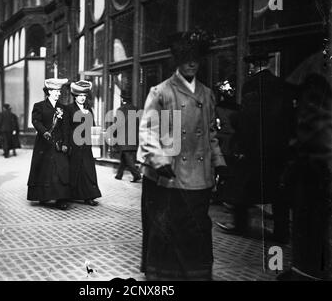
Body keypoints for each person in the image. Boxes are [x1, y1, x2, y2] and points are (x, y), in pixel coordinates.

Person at [137, 28, 227, 281]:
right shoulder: (161, 92)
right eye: (187, 57)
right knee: (167, 229)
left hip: (199, 177)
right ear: (177, 59)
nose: (191, 62)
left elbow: (210, 134)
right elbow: (147, 132)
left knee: (196, 228)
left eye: (196, 57)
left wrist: (219, 163)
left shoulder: (207, 94)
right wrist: (159, 161)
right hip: (169, 177)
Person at [215, 52, 296, 244]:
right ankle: (281, 232)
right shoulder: (280, 85)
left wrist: (239, 136)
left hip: (254, 146)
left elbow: (249, 118)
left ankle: (240, 225)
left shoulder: (251, 85)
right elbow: (288, 117)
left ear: (252, 66)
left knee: (240, 185)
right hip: (277, 147)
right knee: (278, 192)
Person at [277, 73, 332, 280]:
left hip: (314, 177)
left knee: (310, 227)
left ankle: (308, 271)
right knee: (311, 228)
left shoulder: (314, 118)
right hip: (314, 176)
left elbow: (307, 146)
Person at [27, 78, 71, 210]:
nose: (58, 94)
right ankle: (43, 196)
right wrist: (44, 131)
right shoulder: (39, 106)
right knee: (44, 170)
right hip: (44, 144)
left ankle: (61, 199)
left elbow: (66, 128)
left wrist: (66, 143)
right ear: (49, 92)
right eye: (55, 91)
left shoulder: (63, 108)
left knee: (61, 170)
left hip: (58, 144)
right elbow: (35, 121)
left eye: (59, 91)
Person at [67, 80, 102, 206]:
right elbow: (67, 127)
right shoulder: (69, 109)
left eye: (84, 96)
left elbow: (92, 126)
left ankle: (89, 196)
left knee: (88, 170)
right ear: (75, 96)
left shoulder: (89, 109)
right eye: (79, 96)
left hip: (86, 145)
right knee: (73, 169)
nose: (82, 98)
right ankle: (69, 195)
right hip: (74, 144)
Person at [114, 89, 141, 182]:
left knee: (128, 158)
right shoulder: (136, 109)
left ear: (122, 100)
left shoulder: (120, 110)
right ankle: (119, 175)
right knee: (125, 157)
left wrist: (114, 135)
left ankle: (136, 174)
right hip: (134, 137)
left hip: (124, 138)